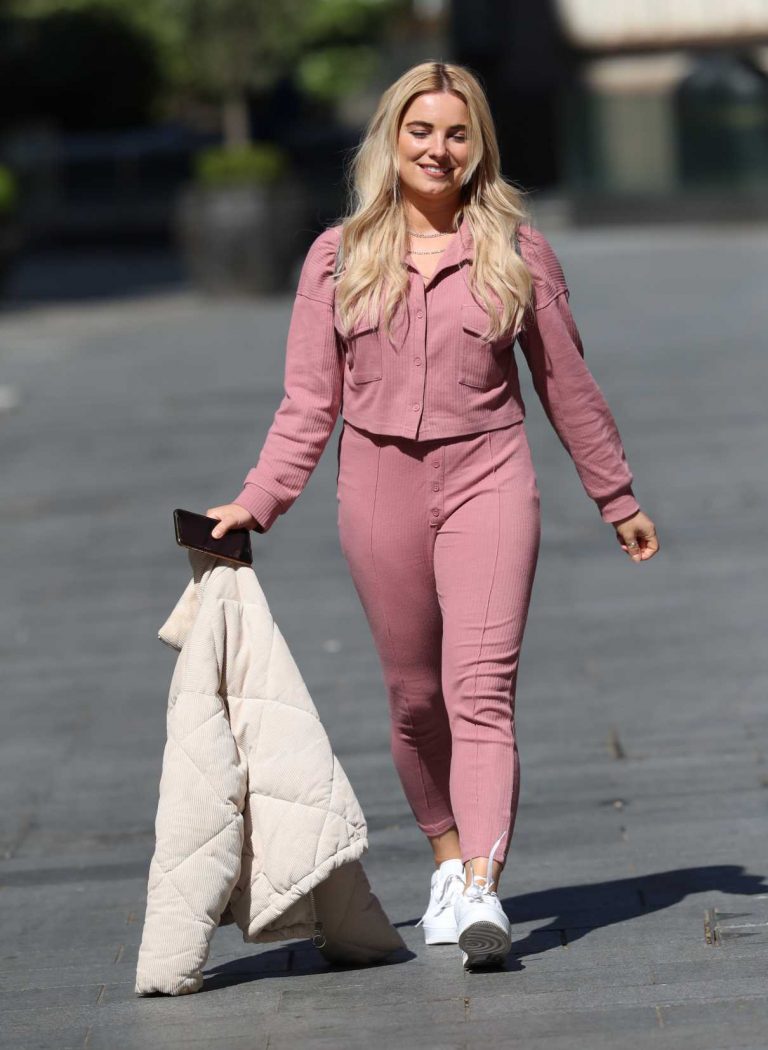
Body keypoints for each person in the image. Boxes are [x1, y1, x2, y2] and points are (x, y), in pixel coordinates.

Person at [206, 61, 659, 971]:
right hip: (377, 486)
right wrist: (257, 501)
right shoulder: (338, 256)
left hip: (490, 475)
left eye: (457, 133)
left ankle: (484, 890)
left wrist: (617, 496)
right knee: (416, 701)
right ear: (392, 139)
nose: (438, 149)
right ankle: (447, 858)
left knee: (480, 691)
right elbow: (307, 404)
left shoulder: (518, 251)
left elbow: (568, 386)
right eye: (421, 131)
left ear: (478, 145)